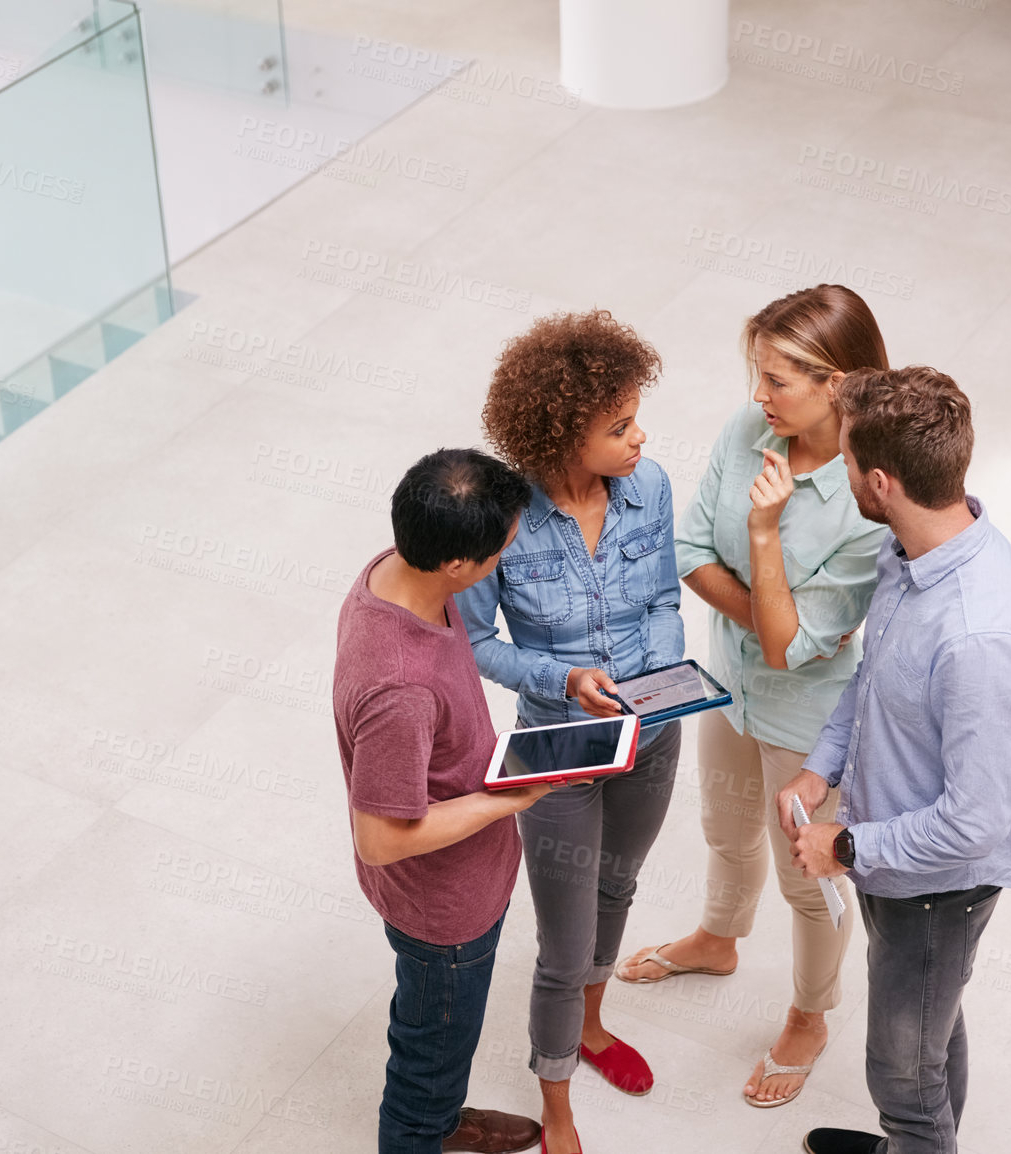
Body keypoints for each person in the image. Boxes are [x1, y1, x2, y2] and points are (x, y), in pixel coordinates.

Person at [615, 284, 889, 1108]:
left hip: (808, 719)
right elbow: (689, 544)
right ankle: (717, 937)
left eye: (776, 380)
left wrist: (766, 569)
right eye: (756, 376)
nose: (756, 397)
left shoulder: (865, 493)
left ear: (836, 384)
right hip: (727, 683)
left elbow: (802, 648)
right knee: (722, 829)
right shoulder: (751, 430)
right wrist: (769, 615)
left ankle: (810, 1014)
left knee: (807, 877)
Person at [775, 366, 1011, 1154]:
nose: (839, 471)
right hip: (897, 860)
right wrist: (820, 768)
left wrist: (846, 845)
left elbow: (976, 820)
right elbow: (873, 675)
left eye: (847, 459)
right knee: (931, 1021)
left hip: (936, 888)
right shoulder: (912, 552)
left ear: (881, 481)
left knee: (902, 1075)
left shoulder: (975, 635)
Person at [456, 310, 685, 1154]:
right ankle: (555, 1102)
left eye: (634, 420)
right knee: (562, 941)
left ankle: (591, 1028)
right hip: (557, 752)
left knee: (616, 890)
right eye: (618, 426)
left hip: (652, 730)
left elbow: (662, 597)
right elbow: (478, 641)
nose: (639, 438)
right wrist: (565, 681)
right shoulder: (502, 518)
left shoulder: (649, 487)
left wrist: (655, 683)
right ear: (560, 434)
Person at [334, 447, 552, 1154]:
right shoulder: (400, 689)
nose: (510, 551)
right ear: (457, 565)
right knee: (426, 1058)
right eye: (502, 547)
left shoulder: (396, 569)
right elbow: (381, 839)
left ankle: (443, 1111)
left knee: (438, 1035)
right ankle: (425, 1126)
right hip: (444, 911)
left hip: (460, 882)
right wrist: (508, 799)